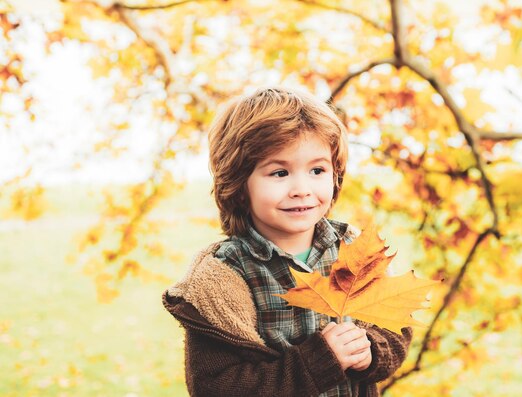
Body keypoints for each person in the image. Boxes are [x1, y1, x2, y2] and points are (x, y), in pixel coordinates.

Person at [162, 87, 412, 396]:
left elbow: (395, 327)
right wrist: (317, 363)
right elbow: (215, 386)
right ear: (240, 185)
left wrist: (372, 351)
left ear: (335, 175)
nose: (301, 189)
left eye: (317, 170)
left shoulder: (353, 249)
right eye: (280, 173)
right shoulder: (224, 277)